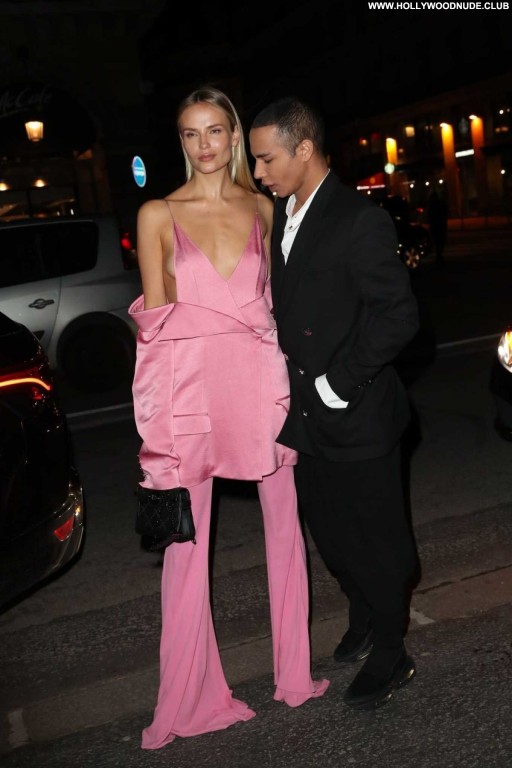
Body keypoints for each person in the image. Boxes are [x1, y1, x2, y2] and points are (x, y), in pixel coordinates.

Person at [129, 86, 328, 750]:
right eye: (191, 134)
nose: (204, 145)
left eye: (215, 130)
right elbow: (155, 333)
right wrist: (156, 437)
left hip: (259, 382)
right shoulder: (157, 213)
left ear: (235, 136)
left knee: (285, 530)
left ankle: (294, 674)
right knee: (186, 546)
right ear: (180, 142)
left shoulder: (264, 209)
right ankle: (189, 698)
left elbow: (280, 305)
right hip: (190, 389)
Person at [249, 97, 420, 711]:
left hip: (357, 409)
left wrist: (338, 384)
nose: (259, 173)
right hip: (305, 414)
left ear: (304, 149)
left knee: (377, 540)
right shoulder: (281, 213)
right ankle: (364, 614)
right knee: (331, 534)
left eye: (267, 159)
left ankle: (393, 649)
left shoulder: (358, 219)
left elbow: (399, 316)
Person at [426, 187, 448, 266]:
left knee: (437, 241)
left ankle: (439, 256)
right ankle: (439, 256)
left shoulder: (431, 204)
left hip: (435, 225)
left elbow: (429, 215)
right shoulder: (440, 203)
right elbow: (445, 212)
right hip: (440, 224)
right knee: (441, 241)